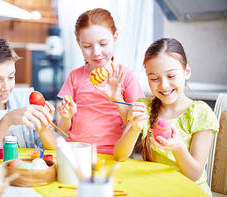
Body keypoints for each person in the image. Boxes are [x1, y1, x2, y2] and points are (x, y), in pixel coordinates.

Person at [113, 38, 219, 196]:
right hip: (155, 189)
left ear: (186, 72)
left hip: (190, 192)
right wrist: (134, 129)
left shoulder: (200, 112)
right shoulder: (144, 107)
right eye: (154, 78)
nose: (163, 85)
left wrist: (178, 148)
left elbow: (194, 175)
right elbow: (119, 155)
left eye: (171, 76)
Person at [56, 8, 144, 155]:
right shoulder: (74, 75)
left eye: (103, 43)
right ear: (78, 43)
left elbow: (134, 124)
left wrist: (117, 98)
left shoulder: (126, 76)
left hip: (113, 154)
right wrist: (67, 116)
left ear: (115, 38)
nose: (96, 52)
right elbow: (62, 127)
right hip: (75, 152)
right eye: (87, 46)